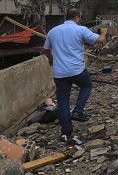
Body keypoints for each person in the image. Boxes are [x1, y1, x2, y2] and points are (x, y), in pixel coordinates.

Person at [43, 7, 107, 145]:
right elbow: (100, 40)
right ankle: (78, 111)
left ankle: (66, 132)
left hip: (59, 72)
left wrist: (51, 59)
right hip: (76, 70)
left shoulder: (53, 31)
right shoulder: (80, 29)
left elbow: (46, 50)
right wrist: (104, 32)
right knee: (86, 85)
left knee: (63, 100)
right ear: (77, 17)